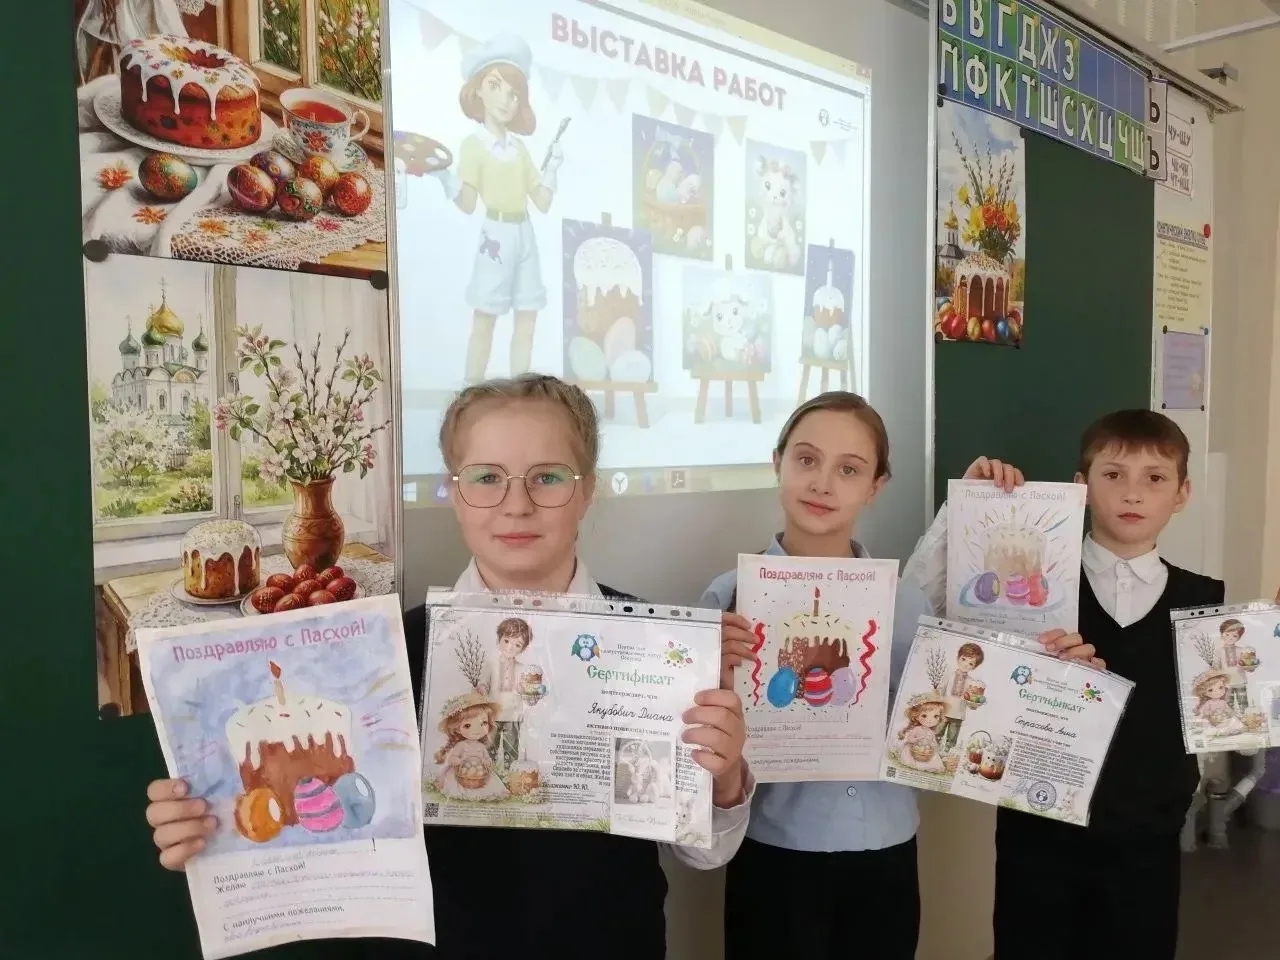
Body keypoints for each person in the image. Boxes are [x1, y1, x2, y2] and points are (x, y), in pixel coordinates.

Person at [144, 374, 753, 960]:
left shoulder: (656, 648)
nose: (517, 504)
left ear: (587, 490)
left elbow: (705, 854)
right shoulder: (374, 658)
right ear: (455, 493)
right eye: (486, 478)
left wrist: (722, 781)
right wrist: (211, 825)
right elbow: (317, 816)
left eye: (547, 477)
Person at [711, 392, 1099, 960]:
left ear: (876, 486)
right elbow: (704, 751)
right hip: (772, 853)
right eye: (807, 459)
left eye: (849, 469)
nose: (823, 483)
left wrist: (1056, 677)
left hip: (885, 853)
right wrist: (718, 676)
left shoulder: (906, 602)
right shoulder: (728, 599)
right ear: (778, 463)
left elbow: (966, 706)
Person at [907, 409, 1221, 959]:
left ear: (1182, 494)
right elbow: (914, 619)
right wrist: (963, 511)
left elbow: (1219, 721)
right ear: (1081, 486)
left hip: (1148, 845)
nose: (1132, 492)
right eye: (1113, 474)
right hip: (1038, 842)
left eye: (1154, 478)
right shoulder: (1030, 589)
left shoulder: (1205, 601)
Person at [430, 35, 564, 384]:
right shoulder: (474, 146)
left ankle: (522, 391)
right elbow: (467, 203)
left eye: (514, 93)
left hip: (525, 235)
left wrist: (552, 169)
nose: (506, 98)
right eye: (495, 86)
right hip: (496, 236)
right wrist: (444, 177)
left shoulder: (520, 149)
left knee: (527, 319)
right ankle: (470, 392)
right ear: (478, 90)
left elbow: (543, 202)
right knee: (485, 319)